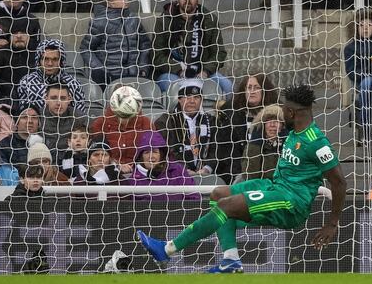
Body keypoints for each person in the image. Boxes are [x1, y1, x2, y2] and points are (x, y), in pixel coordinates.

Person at [138, 84, 346, 273]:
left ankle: (167, 250)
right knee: (219, 194)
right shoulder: (293, 132)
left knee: (226, 206)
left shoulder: (317, 143)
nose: (281, 114)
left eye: (283, 110)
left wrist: (332, 223)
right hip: (274, 186)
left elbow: (339, 181)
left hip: (292, 202)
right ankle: (231, 260)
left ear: (291, 112)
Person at [152, 0, 231, 95]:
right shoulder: (164, 19)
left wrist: (206, 71)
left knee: (228, 87)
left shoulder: (209, 19)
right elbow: (156, 55)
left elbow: (219, 53)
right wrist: (178, 69)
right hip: (171, 73)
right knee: (178, 89)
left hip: (202, 71)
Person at [80, 0, 152, 87]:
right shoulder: (100, 22)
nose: (125, 0)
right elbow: (85, 49)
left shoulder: (133, 20)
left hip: (134, 74)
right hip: (110, 76)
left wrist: (143, 67)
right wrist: (99, 70)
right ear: (110, 3)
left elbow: (145, 44)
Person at [216, 74, 279, 184]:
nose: (252, 91)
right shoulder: (230, 115)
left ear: (265, 90)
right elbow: (228, 153)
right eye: (249, 87)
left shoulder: (278, 115)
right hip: (239, 174)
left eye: (257, 87)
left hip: (271, 173)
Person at [154, 79, 218, 177]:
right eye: (187, 97)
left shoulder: (211, 121)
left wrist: (207, 168)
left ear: (201, 100)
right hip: (175, 175)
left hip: (205, 175)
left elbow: (216, 149)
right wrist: (183, 169)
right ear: (179, 99)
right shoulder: (165, 122)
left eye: (196, 97)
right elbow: (165, 152)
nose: (192, 101)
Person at [343, 9, 372, 140]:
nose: (365, 28)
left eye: (369, 25)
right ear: (356, 28)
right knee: (367, 83)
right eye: (361, 25)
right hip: (366, 78)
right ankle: (367, 130)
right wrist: (370, 70)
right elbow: (351, 72)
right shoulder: (350, 48)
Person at [89, 84, 152, 169]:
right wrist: (117, 166)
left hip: (140, 170)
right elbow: (96, 153)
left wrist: (137, 167)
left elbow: (152, 151)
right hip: (109, 170)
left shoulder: (146, 123)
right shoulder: (100, 123)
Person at [18, 39, 87, 113]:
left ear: (61, 61)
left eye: (55, 59)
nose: (50, 63)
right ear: (38, 60)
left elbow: (80, 115)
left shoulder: (74, 84)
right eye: (46, 59)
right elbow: (23, 114)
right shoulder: (26, 82)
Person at [128, 130, 198, 201]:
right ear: (141, 156)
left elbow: (194, 197)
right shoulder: (134, 180)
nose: (151, 156)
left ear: (162, 155)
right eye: (146, 152)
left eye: (155, 152)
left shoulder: (177, 171)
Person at [41, 82, 89, 160]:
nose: (58, 103)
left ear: (69, 99)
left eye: (63, 98)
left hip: (72, 161)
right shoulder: (37, 117)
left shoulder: (79, 118)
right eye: (54, 98)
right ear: (46, 99)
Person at [241, 104, 286, 181]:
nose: (272, 125)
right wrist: (255, 144)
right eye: (268, 121)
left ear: (283, 125)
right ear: (262, 124)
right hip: (259, 186)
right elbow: (249, 176)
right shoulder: (254, 145)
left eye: (277, 121)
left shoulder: (289, 146)